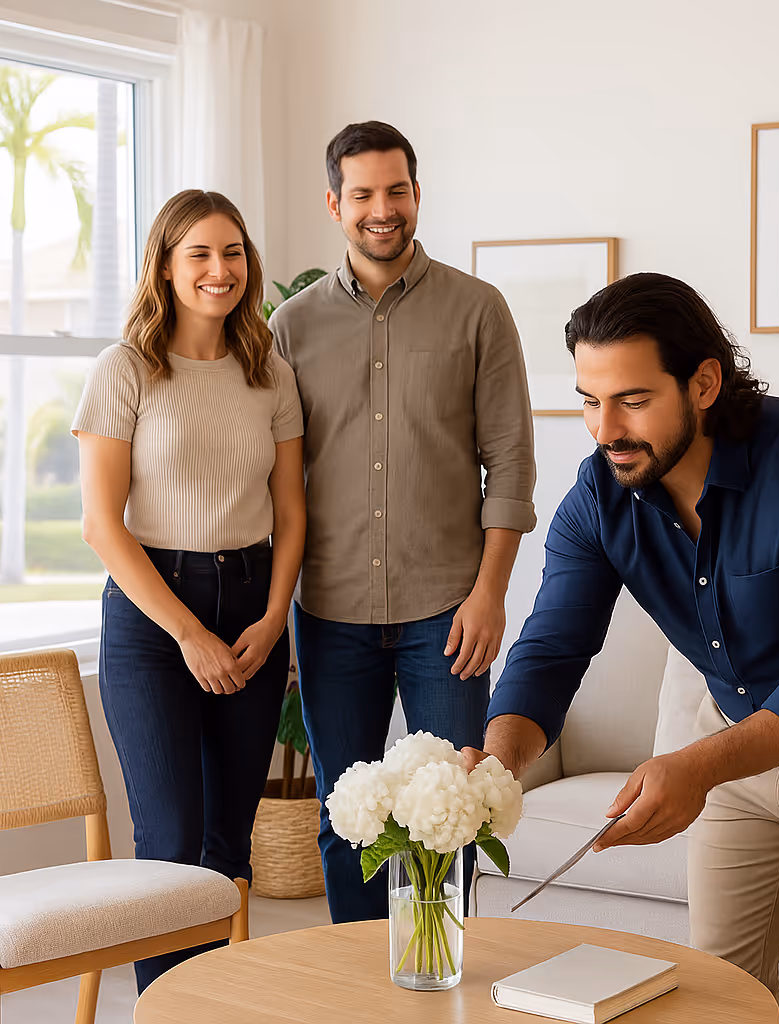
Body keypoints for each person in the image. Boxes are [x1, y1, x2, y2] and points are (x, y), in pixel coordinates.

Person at [467, 273, 779, 1024]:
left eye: (631, 400)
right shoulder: (597, 499)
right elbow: (551, 649)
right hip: (738, 743)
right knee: (718, 993)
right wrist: (499, 761)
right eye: (589, 401)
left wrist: (693, 769)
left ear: (703, 383)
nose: (604, 430)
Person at [270, 120, 536, 923]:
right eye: (362, 195)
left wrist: (489, 595)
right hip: (330, 613)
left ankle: (437, 983)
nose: (381, 210)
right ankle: (359, 996)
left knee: (451, 817)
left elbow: (512, 465)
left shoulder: (478, 310)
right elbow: (278, 479)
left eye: (395, 191)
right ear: (334, 204)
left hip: (447, 616)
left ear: (417, 195)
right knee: (344, 819)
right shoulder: (292, 327)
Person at [73, 189, 306, 992]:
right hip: (152, 620)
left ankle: (213, 1005)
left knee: (225, 846)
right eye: (199, 254)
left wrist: (275, 619)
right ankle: (165, 1012)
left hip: (250, 608)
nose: (220, 270)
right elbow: (103, 527)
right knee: (170, 841)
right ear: (166, 268)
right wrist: (187, 634)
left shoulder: (269, 370)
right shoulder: (127, 368)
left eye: (233, 252)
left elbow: (291, 510)